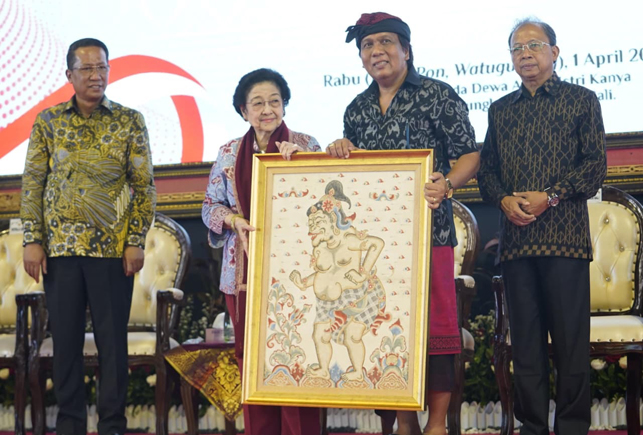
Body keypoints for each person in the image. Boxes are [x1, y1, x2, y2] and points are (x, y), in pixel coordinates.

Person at [327, 12, 481, 435]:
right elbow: (354, 176)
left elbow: (470, 155)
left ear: (406, 50)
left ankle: (437, 424)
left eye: (385, 42)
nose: (376, 51)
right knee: (382, 328)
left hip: (430, 234)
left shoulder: (438, 95)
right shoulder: (356, 109)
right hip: (375, 243)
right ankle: (405, 422)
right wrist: (341, 149)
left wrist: (447, 184)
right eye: (367, 46)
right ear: (361, 58)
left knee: (436, 328)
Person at [477, 18, 607, 435]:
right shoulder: (500, 110)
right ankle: (532, 428)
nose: (526, 55)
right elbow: (487, 172)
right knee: (526, 350)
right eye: (517, 49)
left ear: (554, 51)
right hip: (517, 244)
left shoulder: (581, 100)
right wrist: (503, 199)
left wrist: (549, 196)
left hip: (565, 242)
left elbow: (595, 167)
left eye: (534, 45)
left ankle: (572, 428)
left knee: (571, 348)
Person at [20, 38, 156, 435]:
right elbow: (33, 183)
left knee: (112, 345)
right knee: (66, 344)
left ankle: (112, 425)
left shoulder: (129, 121)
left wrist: (135, 239)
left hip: (112, 252)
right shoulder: (48, 121)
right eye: (87, 69)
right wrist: (32, 239)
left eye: (102, 67)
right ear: (70, 75)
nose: (96, 75)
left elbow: (143, 185)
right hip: (60, 251)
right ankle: (70, 425)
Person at [202, 68, 321, 435]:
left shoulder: (306, 145)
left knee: (299, 356)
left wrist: (302, 165)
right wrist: (234, 220)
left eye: (274, 101)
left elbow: (325, 201)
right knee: (252, 359)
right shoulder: (228, 153)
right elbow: (209, 207)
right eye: (257, 103)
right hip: (242, 271)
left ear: (284, 105)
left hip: (298, 273)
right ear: (243, 110)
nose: (267, 109)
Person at [290, 180, 390, 383]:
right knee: (319, 335)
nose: (313, 228)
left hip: (357, 297)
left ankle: (358, 371)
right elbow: (324, 274)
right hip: (326, 302)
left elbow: (377, 244)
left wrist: (363, 273)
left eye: (318, 222)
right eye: (311, 223)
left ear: (332, 220)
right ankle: (324, 369)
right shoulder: (320, 247)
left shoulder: (348, 240)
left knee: (352, 336)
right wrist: (304, 283)